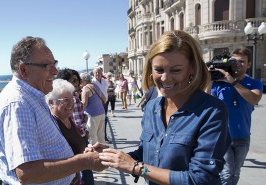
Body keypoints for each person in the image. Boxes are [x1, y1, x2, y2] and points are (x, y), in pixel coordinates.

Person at [95, 30, 231, 184]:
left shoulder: (212, 111)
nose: (165, 78)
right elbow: (146, 154)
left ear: (192, 68)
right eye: (159, 70)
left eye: (176, 70)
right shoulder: (151, 108)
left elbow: (200, 179)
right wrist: (109, 156)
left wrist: (135, 167)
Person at [0, 36, 105, 185]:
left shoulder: (33, 97)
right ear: (24, 69)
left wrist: (77, 162)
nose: (55, 71)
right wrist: (83, 162)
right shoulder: (18, 104)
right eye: (47, 65)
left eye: (54, 64)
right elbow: (27, 173)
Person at [208, 47, 263, 185]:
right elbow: (205, 99)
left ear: (249, 64)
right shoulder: (218, 83)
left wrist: (233, 82)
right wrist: (208, 78)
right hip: (222, 136)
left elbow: (254, 99)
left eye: (242, 61)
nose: (238, 64)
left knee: (235, 173)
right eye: (235, 61)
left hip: (242, 136)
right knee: (227, 173)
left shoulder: (254, 83)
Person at [56, 68, 95, 185]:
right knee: (86, 166)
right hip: (79, 135)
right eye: (73, 80)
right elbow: (78, 121)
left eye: (77, 80)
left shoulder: (68, 97)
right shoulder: (74, 98)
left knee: (80, 167)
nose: (77, 83)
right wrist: (84, 131)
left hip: (74, 135)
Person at [46, 79, 88, 185]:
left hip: (76, 178)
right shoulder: (52, 125)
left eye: (72, 98)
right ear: (51, 102)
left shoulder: (68, 119)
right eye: (65, 100)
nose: (71, 103)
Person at [80, 73, 106, 145]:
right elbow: (104, 98)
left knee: (92, 136)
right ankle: (104, 152)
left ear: (84, 80)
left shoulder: (86, 88)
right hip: (102, 113)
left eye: (80, 81)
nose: (80, 82)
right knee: (101, 136)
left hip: (92, 115)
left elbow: (84, 104)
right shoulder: (95, 86)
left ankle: (94, 154)